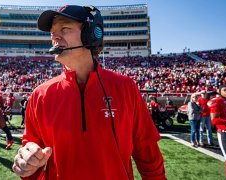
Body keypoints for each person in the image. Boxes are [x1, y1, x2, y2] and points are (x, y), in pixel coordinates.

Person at [12, 5, 166, 179]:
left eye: (64, 28)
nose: (54, 37)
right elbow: (31, 157)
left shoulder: (126, 87)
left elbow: (148, 154)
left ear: (92, 34)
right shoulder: (39, 95)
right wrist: (27, 165)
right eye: (51, 32)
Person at [207, 84, 226, 180]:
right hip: (225, 132)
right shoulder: (217, 101)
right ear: (220, 91)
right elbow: (214, 120)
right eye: (224, 90)